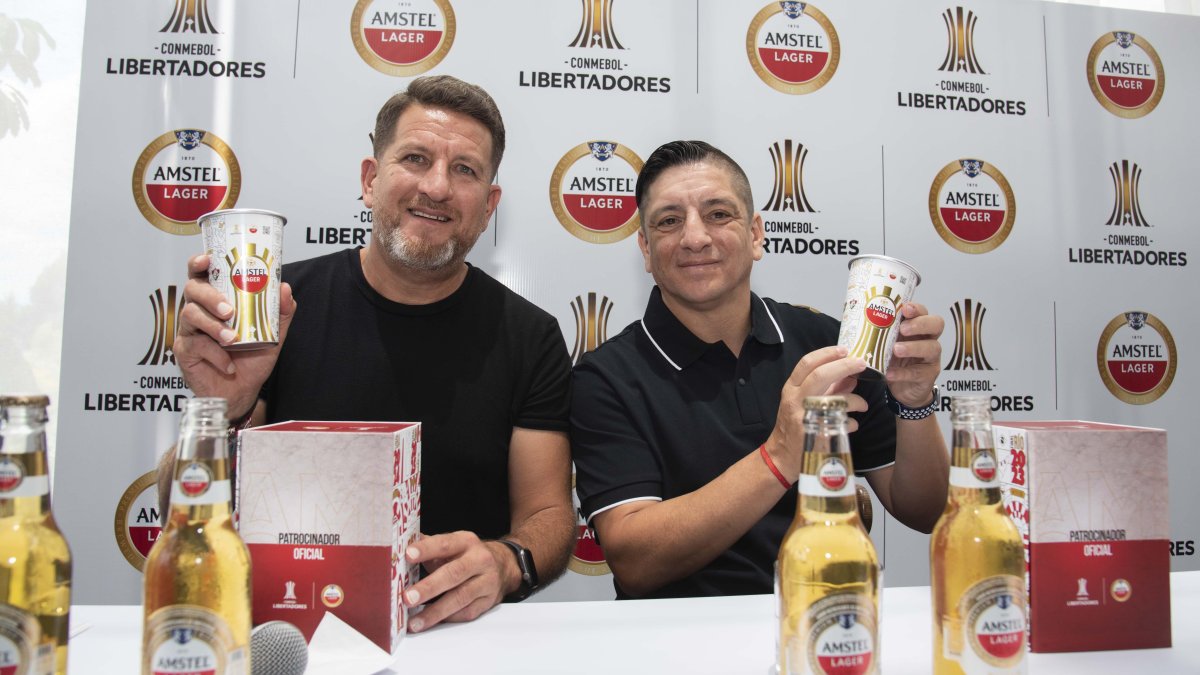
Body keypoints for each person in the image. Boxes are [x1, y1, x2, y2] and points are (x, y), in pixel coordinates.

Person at [171, 75, 575, 630]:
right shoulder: (272, 309)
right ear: (370, 178)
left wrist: (507, 562)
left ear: (489, 204)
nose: (436, 187)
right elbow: (184, 501)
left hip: (458, 639)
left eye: (465, 170)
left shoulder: (530, 336)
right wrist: (224, 409)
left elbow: (549, 515)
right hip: (285, 629)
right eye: (415, 158)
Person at [570, 140, 950, 599]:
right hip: (677, 644)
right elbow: (635, 562)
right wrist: (781, 455)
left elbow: (927, 512)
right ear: (646, 250)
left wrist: (914, 404)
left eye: (717, 214)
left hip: (829, 622)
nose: (695, 237)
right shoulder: (606, 377)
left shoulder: (824, 344)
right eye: (669, 221)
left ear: (755, 235)